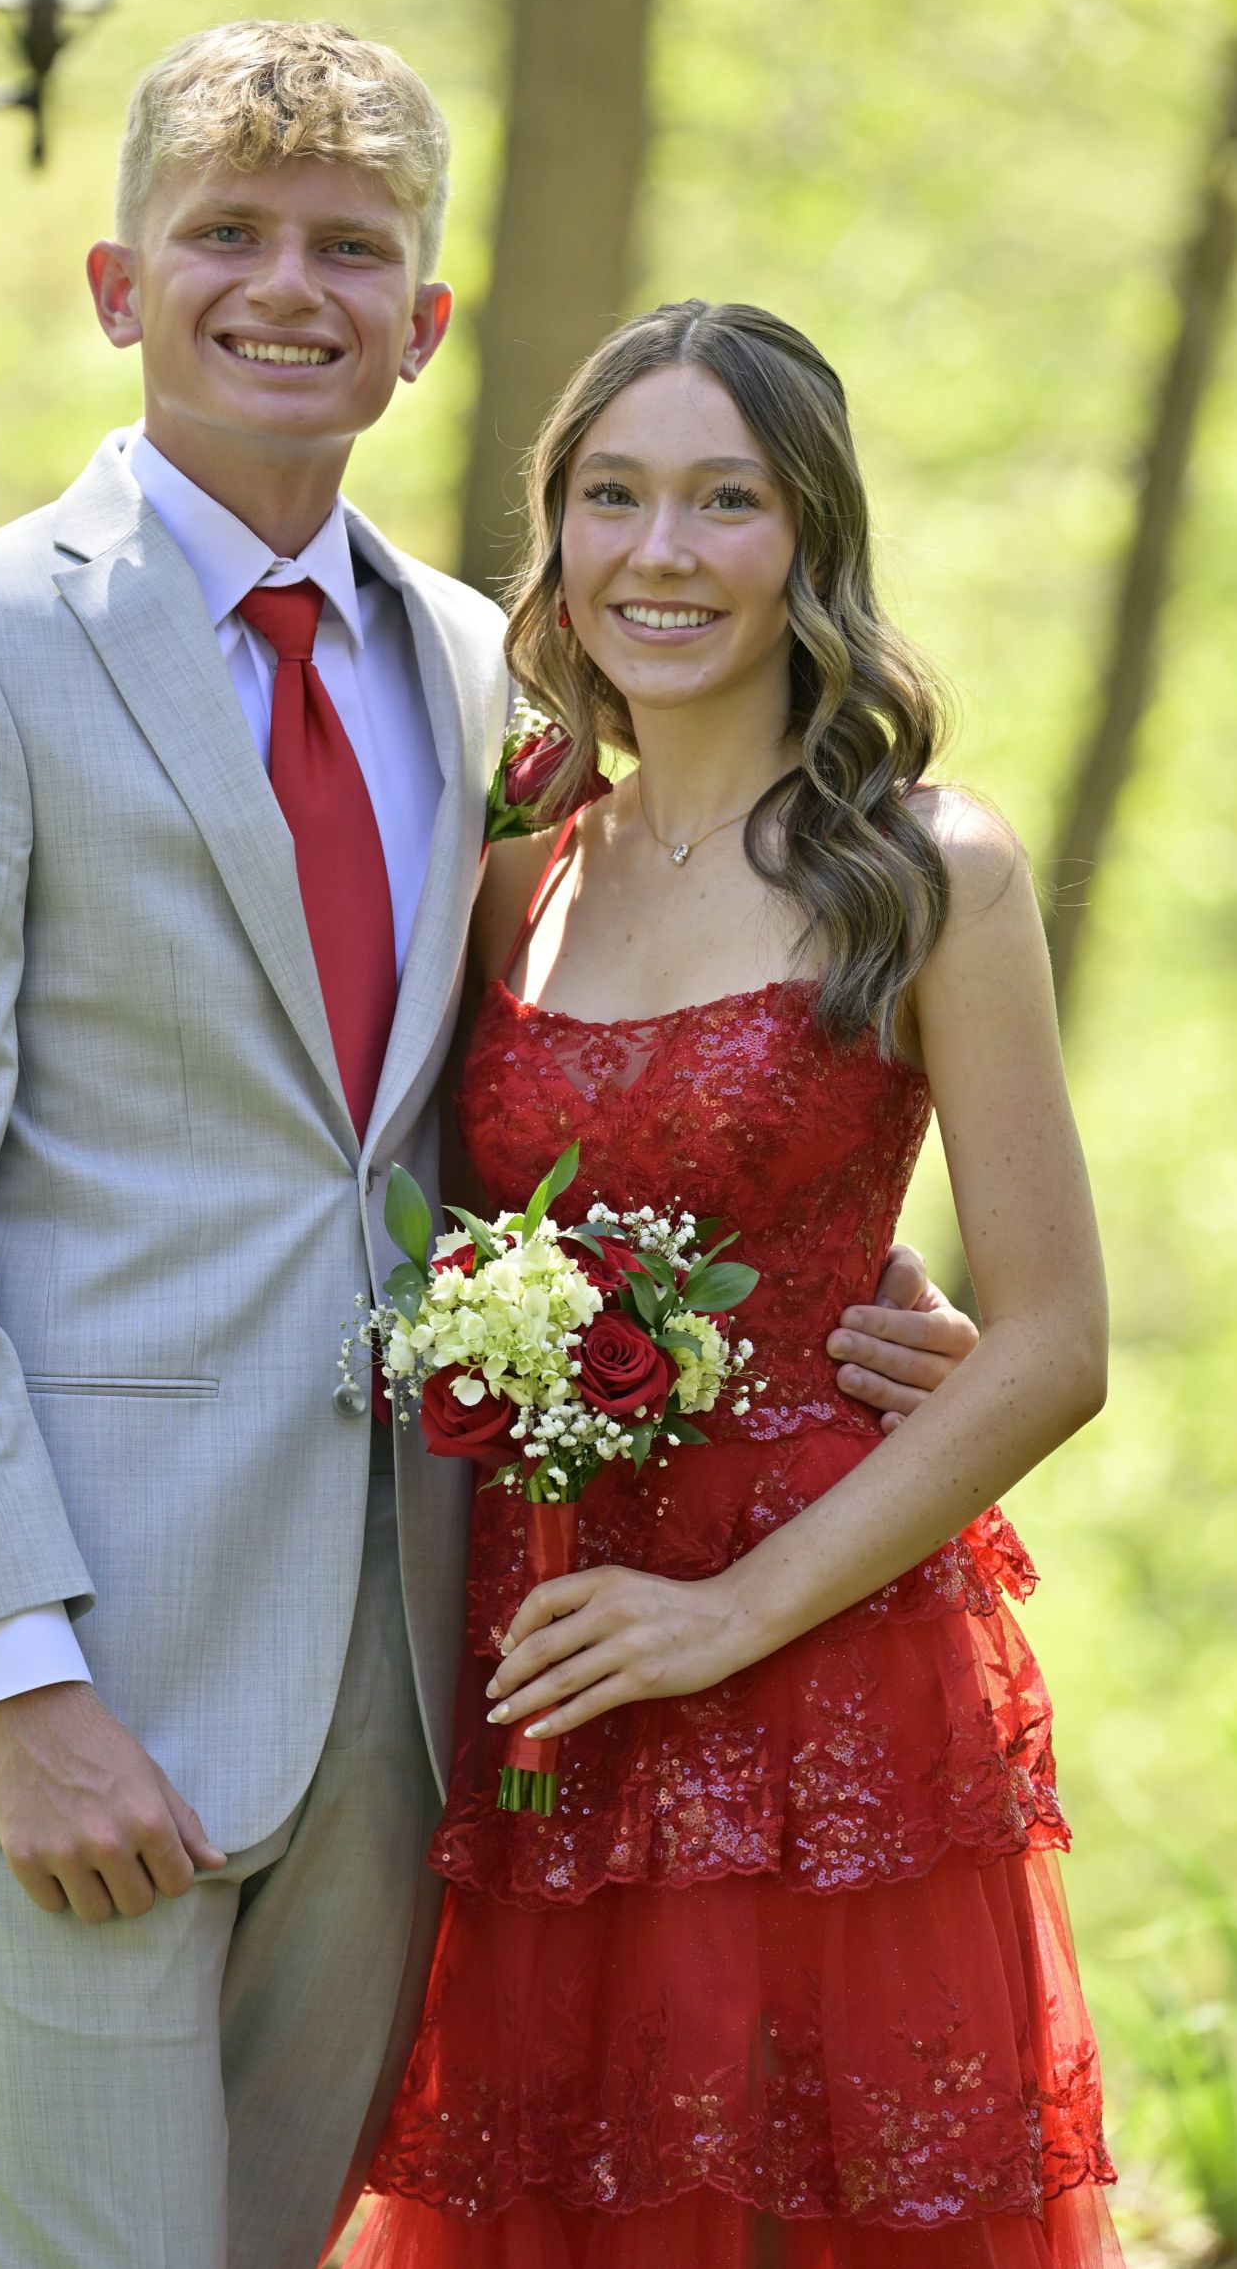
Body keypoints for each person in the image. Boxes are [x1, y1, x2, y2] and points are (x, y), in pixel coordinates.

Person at [0, 27, 976, 2269]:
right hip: (82, 1656)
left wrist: (818, 1260)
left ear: (424, 323)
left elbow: (539, 1078)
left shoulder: (487, 672)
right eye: (225, 233)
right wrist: (17, 1684)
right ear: (119, 283)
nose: (285, 286)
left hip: (419, 1668)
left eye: (348, 248)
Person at [351, 300, 1122, 2269]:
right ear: (556, 533)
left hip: (816, 1653)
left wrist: (724, 1617)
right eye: (613, 495)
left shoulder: (928, 870)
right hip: (544, 1650)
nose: (662, 551)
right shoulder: (516, 866)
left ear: (810, 537)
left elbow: (1053, 1344)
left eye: (726, 499)